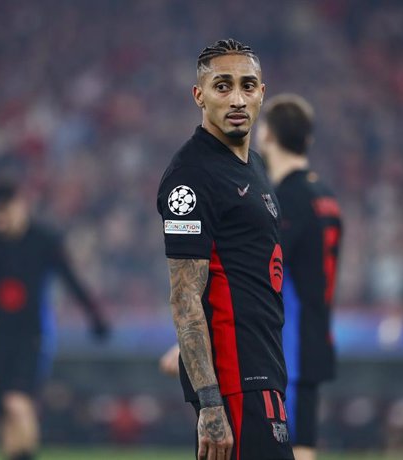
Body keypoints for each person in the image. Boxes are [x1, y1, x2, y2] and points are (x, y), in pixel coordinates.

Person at [156, 39, 293, 460]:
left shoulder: (252, 167)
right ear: (199, 95)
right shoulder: (192, 177)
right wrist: (211, 404)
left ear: (262, 93)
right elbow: (184, 299)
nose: (237, 98)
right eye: (222, 86)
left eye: (247, 86)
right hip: (236, 381)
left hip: (262, 368)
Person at [0, 179, 110, 460]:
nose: (3, 218)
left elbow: (71, 280)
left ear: (20, 206)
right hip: (0, 336)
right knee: (4, 410)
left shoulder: (43, 240)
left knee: (18, 401)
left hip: (33, 333)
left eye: (6, 210)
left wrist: (95, 317)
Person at [256, 94, 343, 460]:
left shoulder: (286, 198)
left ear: (267, 136)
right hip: (316, 331)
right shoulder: (325, 195)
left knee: (279, 446)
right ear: (308, 140)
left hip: (287, 343)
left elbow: (264, 271)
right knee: (303, 445)